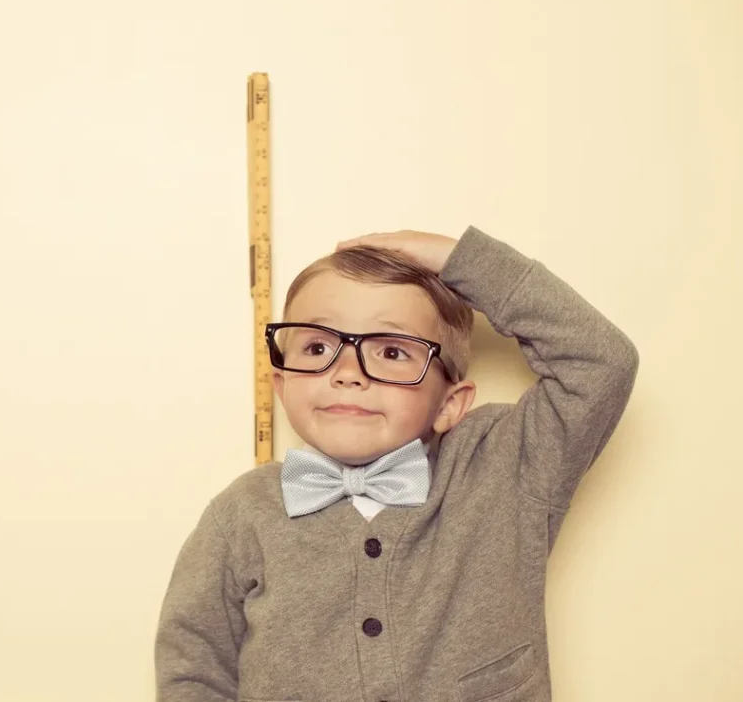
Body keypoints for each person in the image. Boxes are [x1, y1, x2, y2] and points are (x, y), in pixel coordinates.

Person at [154, 226, 638, 702]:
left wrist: (462, 261)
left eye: (390, 351)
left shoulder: (506, 467)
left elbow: (601, 363)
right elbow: (193, 669)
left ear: (451, 403)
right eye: (318, 348)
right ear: (282, 386)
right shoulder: (240, 513)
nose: (347, 373)